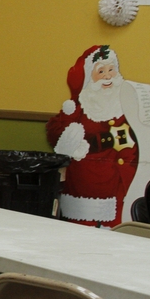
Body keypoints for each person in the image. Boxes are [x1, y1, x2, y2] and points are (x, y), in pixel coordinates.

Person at [47, 45, 138, 226]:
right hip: (86, 181)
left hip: (122, 183)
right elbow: (56, 133)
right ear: (90, 76)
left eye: (111, 70)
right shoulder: (79, 107)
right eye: (101, 71)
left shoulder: (127, 106)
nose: (107, 76)